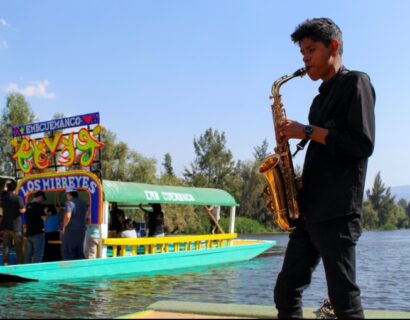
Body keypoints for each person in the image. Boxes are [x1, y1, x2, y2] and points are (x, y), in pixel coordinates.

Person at [273, 18, 375, 319]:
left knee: (344, 300)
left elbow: (362, 144)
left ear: (333, 47)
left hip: (338, 213)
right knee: (285, 291)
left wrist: (305, 130)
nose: (305, 58)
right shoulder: (319, 101)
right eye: (302, 52)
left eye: (310, 50)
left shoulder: (357, 82)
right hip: (309, 211)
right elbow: (323, 150)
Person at [1, 180, 26, 265]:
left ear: (7, 188)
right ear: (15, 189)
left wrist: (6, 184)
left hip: (6, 227)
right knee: (18, 247)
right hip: (16, 227)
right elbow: (22, 210)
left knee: (6, 247)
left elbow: (4, 191)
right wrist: (24, 208)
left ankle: (5, 263)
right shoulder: (17, 198)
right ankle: (19, 264)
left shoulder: (4, 198)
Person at [61, 187, 88, 260]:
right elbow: (87, 215)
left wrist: (64, 226)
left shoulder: (69, 203)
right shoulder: (83, 202)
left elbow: (68, 216)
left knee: (68, 252)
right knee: (80, 252)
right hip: (82, 230)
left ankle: (69, 270)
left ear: (69, 194)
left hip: (71, 230)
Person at [25, 191, 47, 263]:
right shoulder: (38, 206)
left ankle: (26, 268)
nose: (42, 201)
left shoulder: (27, 206)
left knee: (28, 253)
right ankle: (36, 270)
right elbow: (44, 218)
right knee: (38, 253)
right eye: (43, 199)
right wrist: (48, 214)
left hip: (29, 233)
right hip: (38, 233)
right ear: (40, 197)